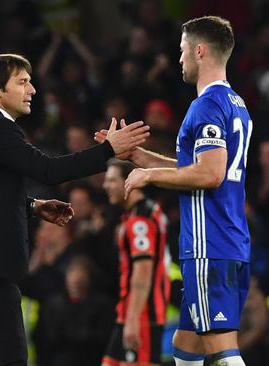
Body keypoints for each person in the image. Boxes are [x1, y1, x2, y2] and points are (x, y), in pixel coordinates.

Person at [0, 53, 150, 365]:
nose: (32, 89)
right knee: (10, 357)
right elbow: (48, 171)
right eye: (22, 82)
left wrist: (33, 206)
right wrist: (108, 150)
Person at [98, 16, 252, 366]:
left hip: (209, 245)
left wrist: (149, 176)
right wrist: (137, 157)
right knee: (186, 347)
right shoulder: (235, 104)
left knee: (222, 352)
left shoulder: (207, 106)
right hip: (228, 240)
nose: (179, 59)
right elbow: (197, 167)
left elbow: (210, 174)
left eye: (183, 51)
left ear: (200, 51)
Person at [101, 159, 170, 366]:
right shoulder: (140, 213)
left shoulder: (140, 220)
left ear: (129, 181)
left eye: (112, 180)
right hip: (130, 313)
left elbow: (143, 272)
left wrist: (132, 321)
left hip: (142, 316)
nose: (106, 186)